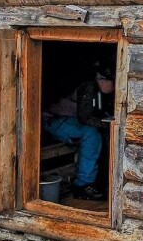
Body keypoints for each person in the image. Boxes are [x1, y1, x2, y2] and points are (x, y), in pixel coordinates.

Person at [43, 62, 114, 201]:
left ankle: (96, 181)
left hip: (67, 119)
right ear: (103, 80)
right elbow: (84, 117)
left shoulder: (98, 89)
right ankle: (83, 185)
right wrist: (107, 124)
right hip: (52, 119)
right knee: (91, 134)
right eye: (113, 82)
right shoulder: (89, 87)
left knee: (97, 133)